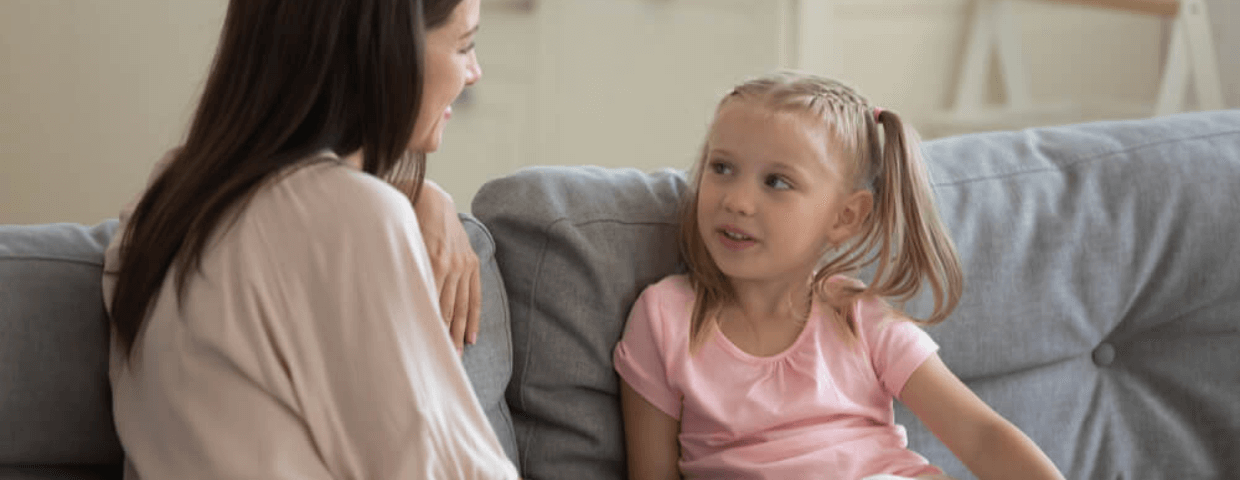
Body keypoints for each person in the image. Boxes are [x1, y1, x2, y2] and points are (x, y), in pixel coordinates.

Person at [102, 0, 518, 478]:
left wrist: (414, 193)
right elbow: (437, 468)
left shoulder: (161, 204)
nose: (474, 72)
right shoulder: (351, 220)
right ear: (385, 50)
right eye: (464, 44)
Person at [613, 71, 1064, 480]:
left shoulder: (860, 316)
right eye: (722, 168)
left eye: (776, 182)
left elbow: (982, 437)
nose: (737, 200)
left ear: (845, 216)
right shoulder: (663, 318)